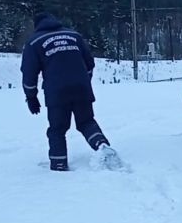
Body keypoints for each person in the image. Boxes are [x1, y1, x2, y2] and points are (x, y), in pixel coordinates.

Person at [21, 12, 120, 171]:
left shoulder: (34, 42)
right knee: (86, 122)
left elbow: (29, 72)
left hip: (57, 92)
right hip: (82, 88)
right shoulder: (74, 35)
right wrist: (84, 81)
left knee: (57, 129)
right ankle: (102, 147)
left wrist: (31, 97)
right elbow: (89, 63)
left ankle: (59, 165)